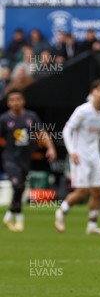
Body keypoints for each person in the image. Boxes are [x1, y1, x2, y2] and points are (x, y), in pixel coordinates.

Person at [55, 80, 100, 234]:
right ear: (92, 92)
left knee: (97, 191)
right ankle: (61, 212)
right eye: (98, 90)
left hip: (95, 157)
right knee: (82, 192)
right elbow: (67, 130)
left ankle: (92, 226)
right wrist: (72, 151)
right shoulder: (82, 110)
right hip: (80, 156)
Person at [0, 89, 57, 231]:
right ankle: (19, 218)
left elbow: (41, 133)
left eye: (18, 99)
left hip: (25, 158)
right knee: (18, 185)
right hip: (10, 158)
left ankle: (8, 216)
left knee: (21, 187)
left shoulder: (31, 117)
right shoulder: (4, 119)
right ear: (8, 103)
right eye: (12, 100)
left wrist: (51, 148)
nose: (15, 103)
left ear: (23, 101)